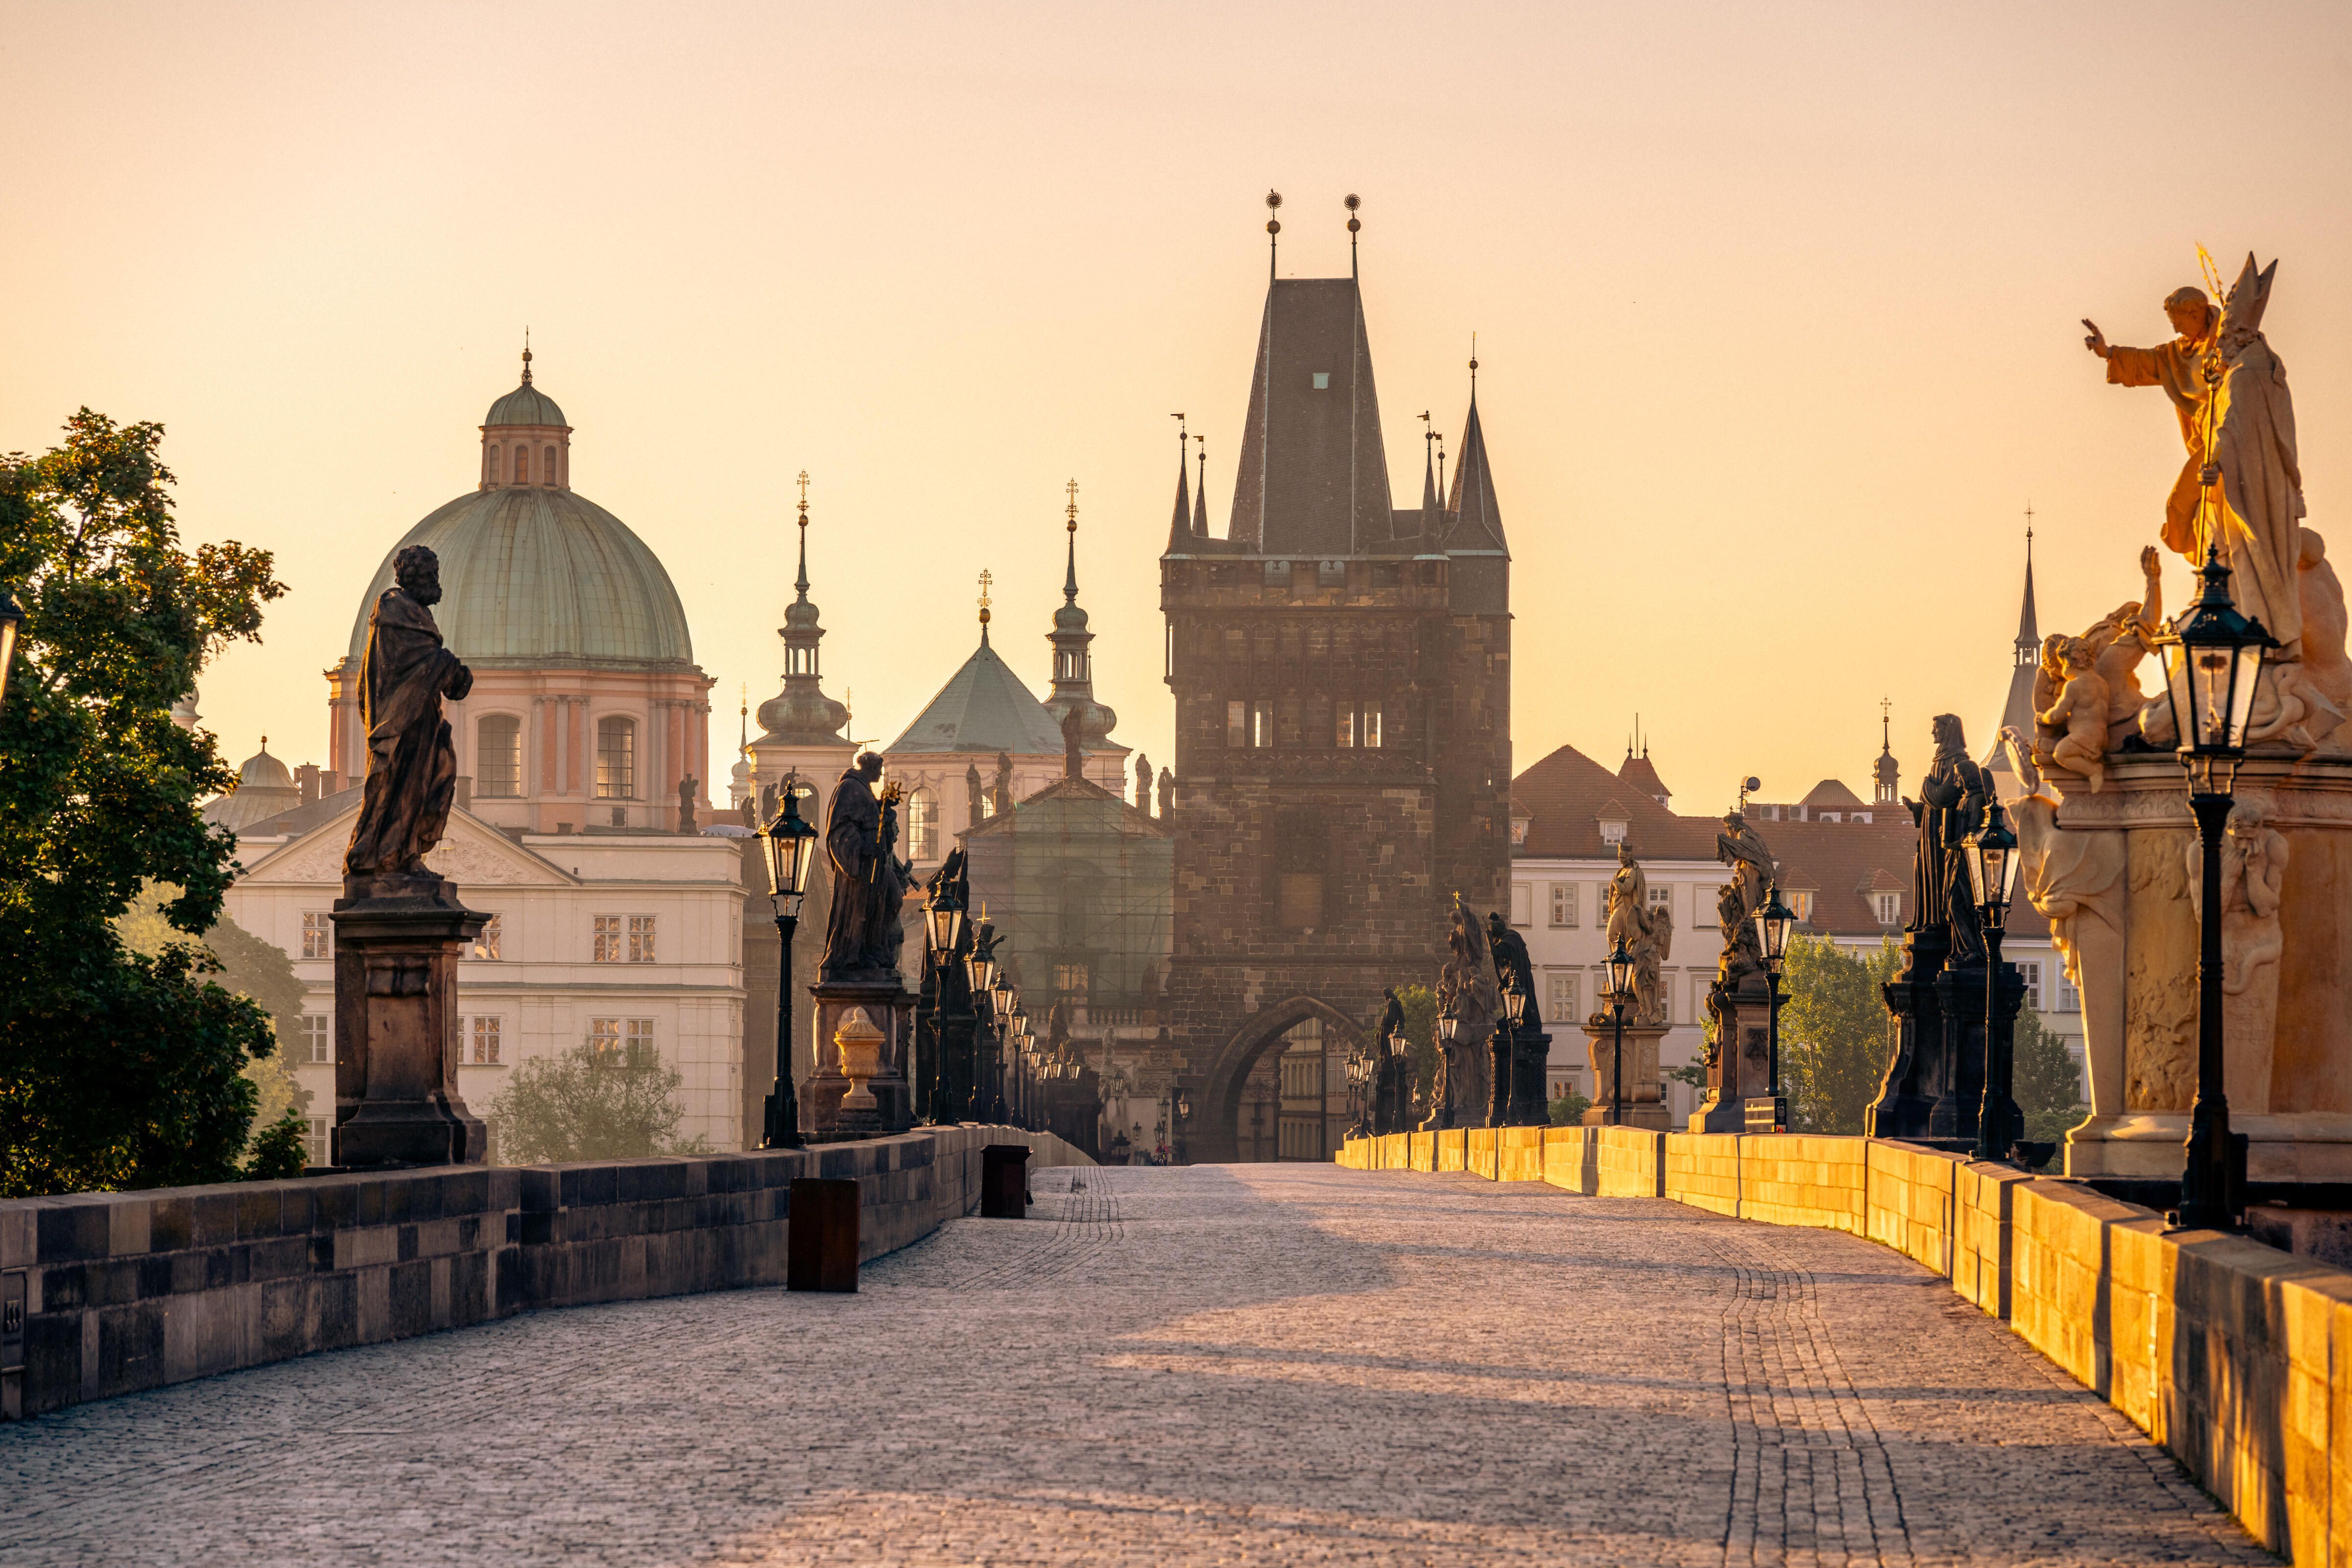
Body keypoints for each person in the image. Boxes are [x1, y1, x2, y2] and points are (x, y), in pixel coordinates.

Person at [345, 545, 472, 879]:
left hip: (423, 719)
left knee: (433, 781)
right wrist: (448, 666)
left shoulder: (413, 611)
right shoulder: (395, 609)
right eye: (429, 575)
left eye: (434, 574)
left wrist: (445, 667)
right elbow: (409, 664)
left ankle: (407, 852)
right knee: (403, 788)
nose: (435, 581)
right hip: (402, 721)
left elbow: (426, 663)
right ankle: (391, 856)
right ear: (413, 576)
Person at [2083, 285, 2218, 557]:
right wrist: (2108, 352)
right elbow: (2151, 361)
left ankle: (2204, 557)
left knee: (2181, 504)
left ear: (2195, 314)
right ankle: (2207, 559)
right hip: (2203, 438)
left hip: (2226, 438)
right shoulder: (2179, 352)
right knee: (2193, 507)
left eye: (2178, 322)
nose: (2176, 330)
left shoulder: (2225, 344)